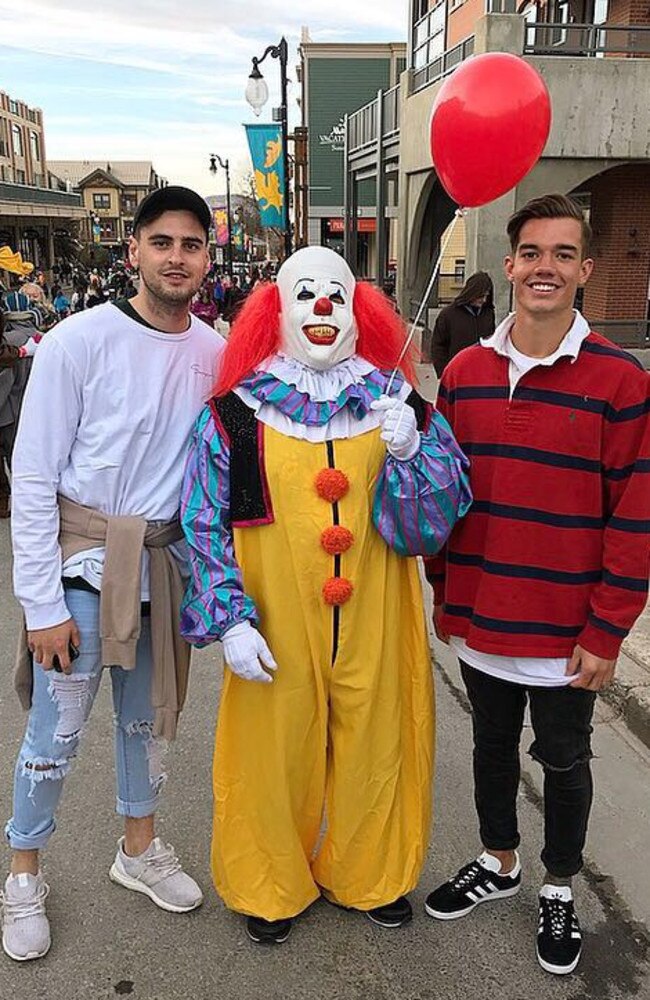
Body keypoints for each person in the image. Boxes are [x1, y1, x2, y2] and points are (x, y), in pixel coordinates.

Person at [180, 246, 471, 945]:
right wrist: (230, 621)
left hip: (376, 611)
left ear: (354, 310)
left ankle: (368, 873)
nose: (320, 308)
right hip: (274, 617)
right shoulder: (237, 413)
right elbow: (203, 520)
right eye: (304, 294)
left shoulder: (395, 401)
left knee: (379, 742)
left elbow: (441, 513)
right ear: (275, 311)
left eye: (335, 296)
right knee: (271, 751)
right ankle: (268, 882)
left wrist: (414, 454)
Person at [423, 194, 650, 976]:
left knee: (563, 758)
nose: (543, 267)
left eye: (562, 254)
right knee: (488, 746)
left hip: (566, 629)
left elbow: (635, 516)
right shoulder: (464, 373)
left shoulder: (621, 382)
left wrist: (607, 629)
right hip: (484, 616)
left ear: (585, 270)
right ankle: (498, 860)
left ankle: (558, 883)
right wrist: (444, 591)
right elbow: (443, 497)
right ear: (510, 263)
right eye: (530, 252)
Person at [1, 185, 225, 962]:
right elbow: (32, 476)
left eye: (191, 244)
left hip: (163, 571)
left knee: (147, 725)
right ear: (133, 251)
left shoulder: (216, 352)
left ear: (207, 257)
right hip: (82, 568)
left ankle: (139, 850)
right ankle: (24, 872)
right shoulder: (76, 342)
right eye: (162, 241)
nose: (176, 257)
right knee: (54, 732)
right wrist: (39, 604)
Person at [0, 294, 40, 519]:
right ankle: (32, 504)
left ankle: (5, 502)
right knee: (27, 461)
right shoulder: (44, 337)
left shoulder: (7, 341)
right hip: (35, 409)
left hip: (7, 410)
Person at [430, 271, 495, 378]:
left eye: (486, 296)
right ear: (472, 293)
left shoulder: (488, 313)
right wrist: (443, 373)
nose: (483, 300)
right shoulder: (448, 314)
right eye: (480, 296)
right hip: (457, 374)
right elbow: (438, 346)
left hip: (482, 373)